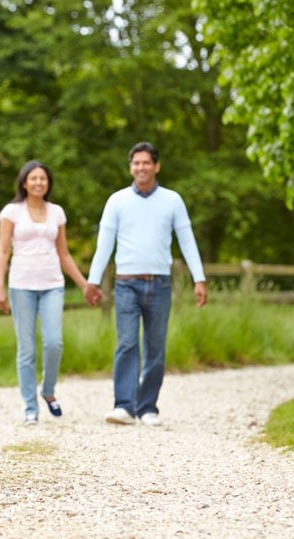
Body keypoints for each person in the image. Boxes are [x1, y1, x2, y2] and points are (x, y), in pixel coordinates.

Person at [84, 141, 207, 427]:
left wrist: (199, 278)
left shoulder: (172, 200)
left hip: (160, 285)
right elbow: (104, 245)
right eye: (136, 163)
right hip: (126, 285)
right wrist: (92, 281)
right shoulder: (117, 201)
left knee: (155, 347)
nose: (140, 167)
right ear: (131, 167)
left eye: (145, 163)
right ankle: (124, 406)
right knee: (127, 344)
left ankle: (148, 406)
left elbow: (187, 241)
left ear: (156, 166)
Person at [0, 160, 102, 426]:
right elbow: (4, 251)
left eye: (43, 178)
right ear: (24, 182)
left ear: (48, 183)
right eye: (33, 178)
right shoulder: (11, 212)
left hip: (52, 284)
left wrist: (84, 284)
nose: (39, 182)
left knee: (54, 343)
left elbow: (63, 253)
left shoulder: (57, 212)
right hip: (21, 285)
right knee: (27, 349)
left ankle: (49, 390)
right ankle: (31, 407)